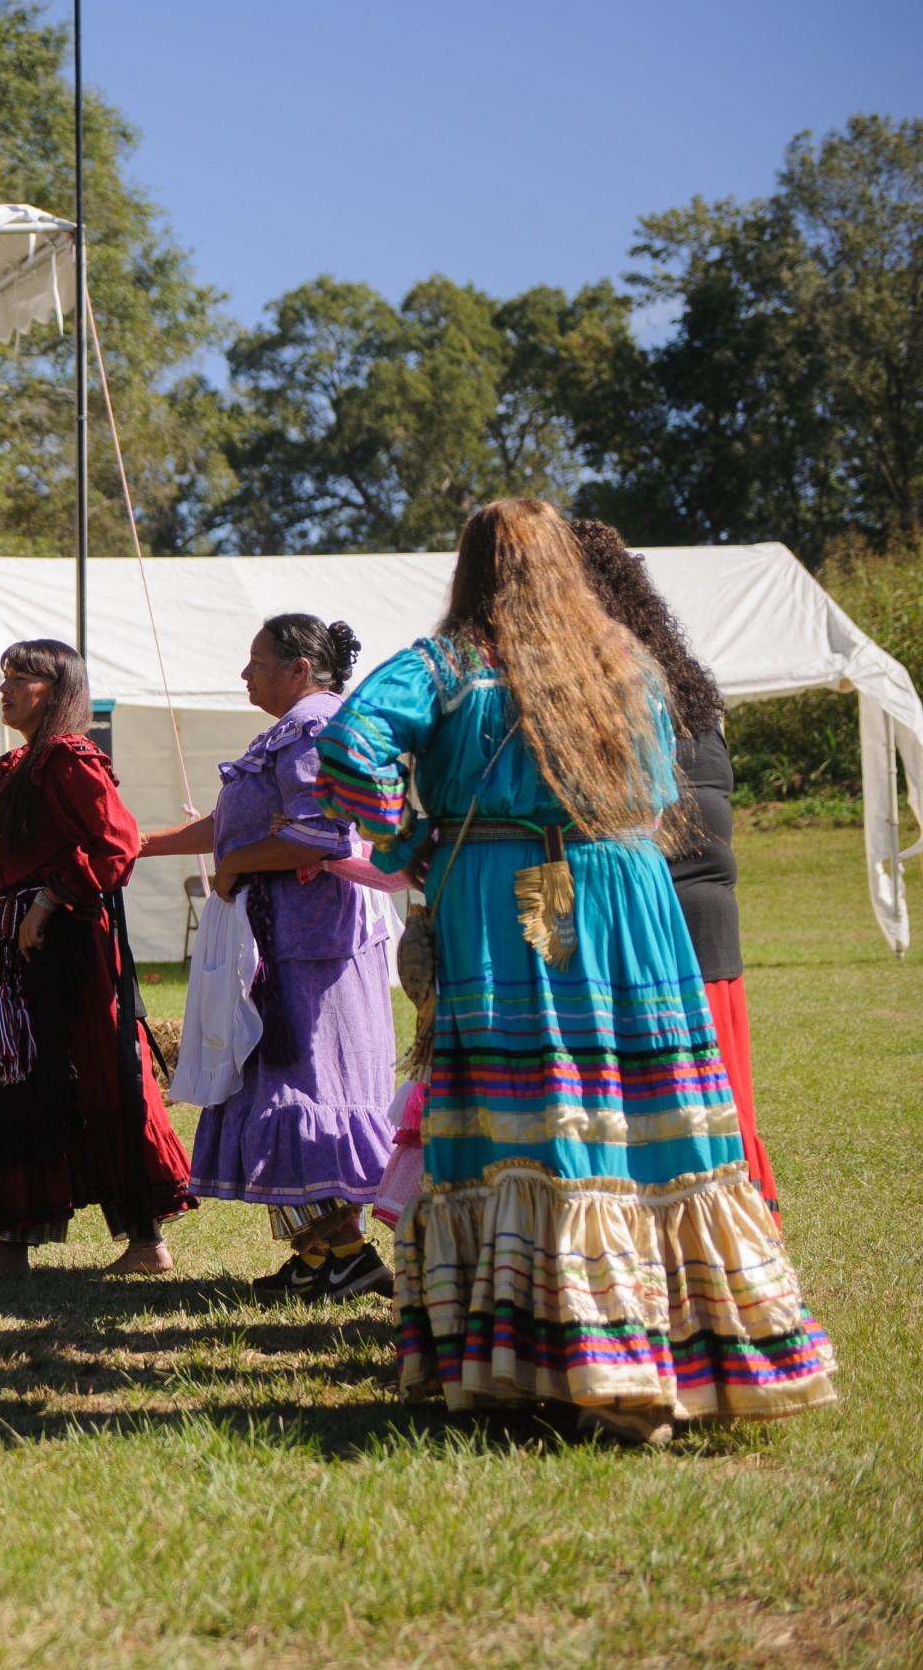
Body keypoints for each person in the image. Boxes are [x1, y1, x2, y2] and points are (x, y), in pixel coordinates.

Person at [315, 499, 833, 1442]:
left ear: (470, 571)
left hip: (504, 893)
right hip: (626, 892)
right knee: (636, 1110)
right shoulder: (624, 663)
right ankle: (665, 1356)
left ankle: (552, 1359)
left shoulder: (453, 664)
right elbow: (665, 790)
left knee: (538, 1110)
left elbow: (349, 743)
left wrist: (411, 838)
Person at [0, 639, 194, 1277]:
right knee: (21, 1085)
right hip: (24, 954)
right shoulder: (19, 767)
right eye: (5, 676)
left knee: (104, 1082)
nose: (5, 689)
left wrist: (52, 898)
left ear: (54, 692)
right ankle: (11, 1249)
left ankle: (146, 1242)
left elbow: (119, 842)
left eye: (19, 678)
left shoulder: (70, 759)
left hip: (75, 953)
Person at [138, 616, 400, 1299]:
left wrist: (239, 865)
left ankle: (344, 1255)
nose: (245, 675)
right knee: (283, 1092)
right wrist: (142, 845)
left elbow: (322, 833)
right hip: (289, 942)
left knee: (300, 1094)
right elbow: (236, 825)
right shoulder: (299, 727)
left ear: (300, 666)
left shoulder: (316, 727)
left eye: (256, 661)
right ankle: (322, 1257)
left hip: (312, 949)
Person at [570, 520, 783, 1225]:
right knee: (718, 1097)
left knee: (670, 1107)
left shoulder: (602, 690)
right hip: (708, 921)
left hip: (649, 927)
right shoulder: (691, 689)